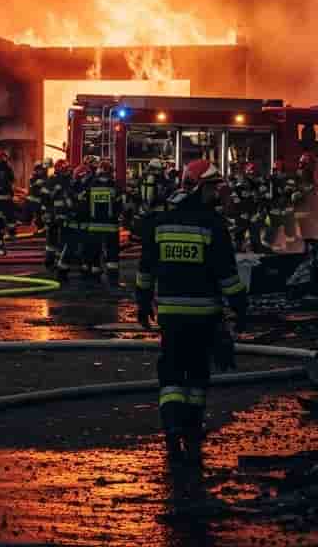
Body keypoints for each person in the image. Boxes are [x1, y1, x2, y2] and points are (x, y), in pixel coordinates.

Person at [135, 159, 247, 466]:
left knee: (171, 371)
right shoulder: (212, 225)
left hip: (170, 316)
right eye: (213, 187)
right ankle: (192, 429)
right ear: (199, 186)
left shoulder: (161, 222)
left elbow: (145, 271)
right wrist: (241, 309)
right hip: (204, 316)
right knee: (197, 373)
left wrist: (143, 304)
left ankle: (172, 427)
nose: (217, 193)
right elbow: (228, 277)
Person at [86, 159, 124, 286]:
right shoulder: (114, 186)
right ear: (110, 172)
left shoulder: (91, 185)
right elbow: (120, 205)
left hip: (93, 226)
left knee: (95, 252)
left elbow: (84, 204)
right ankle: (112, 279)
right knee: (112, 253)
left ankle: (94, 278)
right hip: (110, 227)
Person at [56, 164, 93, 279]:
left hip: (74, 224)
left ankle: (66, 270)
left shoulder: (73, 188)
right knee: (77, 248)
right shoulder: (78, 189)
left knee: (77, 248)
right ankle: (65, 271)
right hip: (77, 224)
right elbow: (73, 205)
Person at [44, 159, 74, 270]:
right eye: (65, 170)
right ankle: (51, 260)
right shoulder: (54, 180)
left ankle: (53, 260)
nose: (67, 172)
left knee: (57, 238)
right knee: (55, 238)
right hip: (56, 214)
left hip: (61, 214)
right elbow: (46, 197)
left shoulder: (68, 180)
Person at [24, 159, 50, 236]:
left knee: (40, 216)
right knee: (36, 216)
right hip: (35, 202)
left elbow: (46, 191)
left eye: (41, 169)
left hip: (42, 202)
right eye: (38, 169)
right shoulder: (34, 177)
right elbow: (32, 188)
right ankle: (39, 229)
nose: (40, 171)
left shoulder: (45, 178)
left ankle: (42, 230)